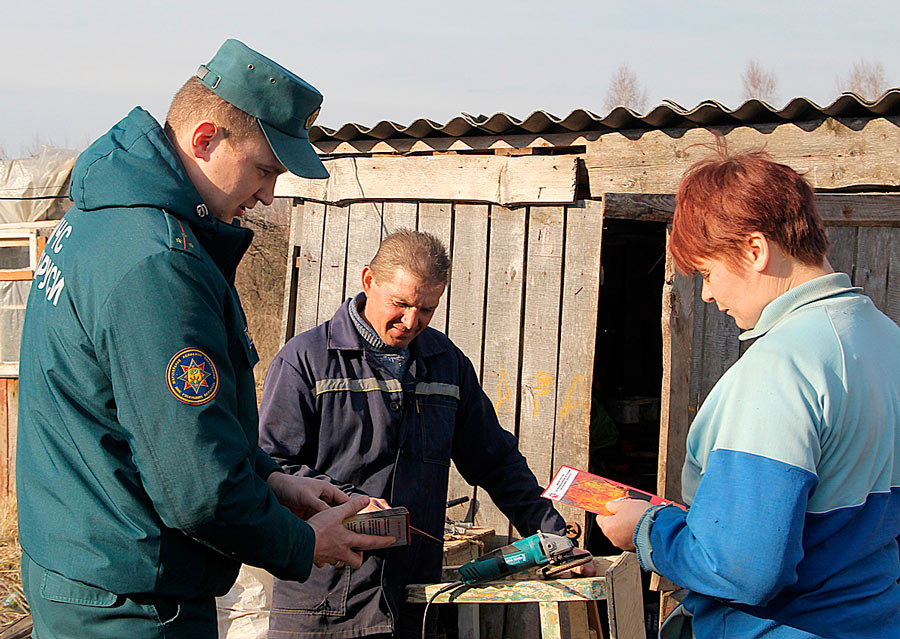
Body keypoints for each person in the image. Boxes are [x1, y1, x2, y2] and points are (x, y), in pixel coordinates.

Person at [16, 39, 393, 639]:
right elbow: (195, 489)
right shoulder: (158, 264)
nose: (269, 194)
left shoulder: (100, 219)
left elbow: (147, 421)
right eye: (266, 168)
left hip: (81, 565)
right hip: (134, 602)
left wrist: (271, 480)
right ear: (205, 140)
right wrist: (299, 542)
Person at [598, 150, 900, 638]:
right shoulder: (887, 341)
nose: (707, 295)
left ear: (754, 250)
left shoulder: (782, 368)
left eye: (709, 273)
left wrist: (645, 528)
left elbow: (743, 567)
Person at [258, 229, 593, 638]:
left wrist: (554, 537)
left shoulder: (445, 362)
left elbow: (497, 461)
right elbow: (272, 464)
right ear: (368, 281)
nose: (411, 322)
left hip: (417, 602)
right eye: (400, 304)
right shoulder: (306, 360)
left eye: (427, 309)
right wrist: (348, 503)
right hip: (323, 603)